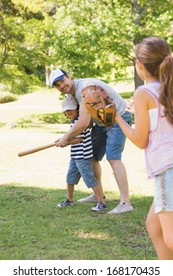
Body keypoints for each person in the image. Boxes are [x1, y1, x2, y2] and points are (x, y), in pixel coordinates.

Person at [114, 37, 173, 259]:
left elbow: (141, 140)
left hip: (168, 168)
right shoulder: (167, 88)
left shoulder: (144, 93)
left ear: (139, 64)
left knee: (170, 237)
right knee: (154, 226)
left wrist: (119, 119)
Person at [49, 68, 133, 214]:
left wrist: (66, 137)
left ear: (69, 76)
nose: (62, 86)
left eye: (63, 81)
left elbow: (83, 122)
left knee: (113, 157)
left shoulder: (85, 88)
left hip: (118, 118)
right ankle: (98, 195)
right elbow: (87, 123)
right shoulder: (74, 95)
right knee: (92, 156)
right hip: (102, 123)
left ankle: (126, 203)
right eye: (58, 85)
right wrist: (68, 138)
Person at [56, 95, 107, 212]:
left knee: (89, 179)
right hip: (75, 156)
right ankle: (69, 200)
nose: (67, 112)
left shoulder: (79, 123)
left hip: (83, 157)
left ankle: (101, 202)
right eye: (65, 110)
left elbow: (78, 140)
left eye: (70, 109)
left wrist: (65, 142)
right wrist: (63, 139)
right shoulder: (74, 123)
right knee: (70, 178)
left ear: (78, 109)